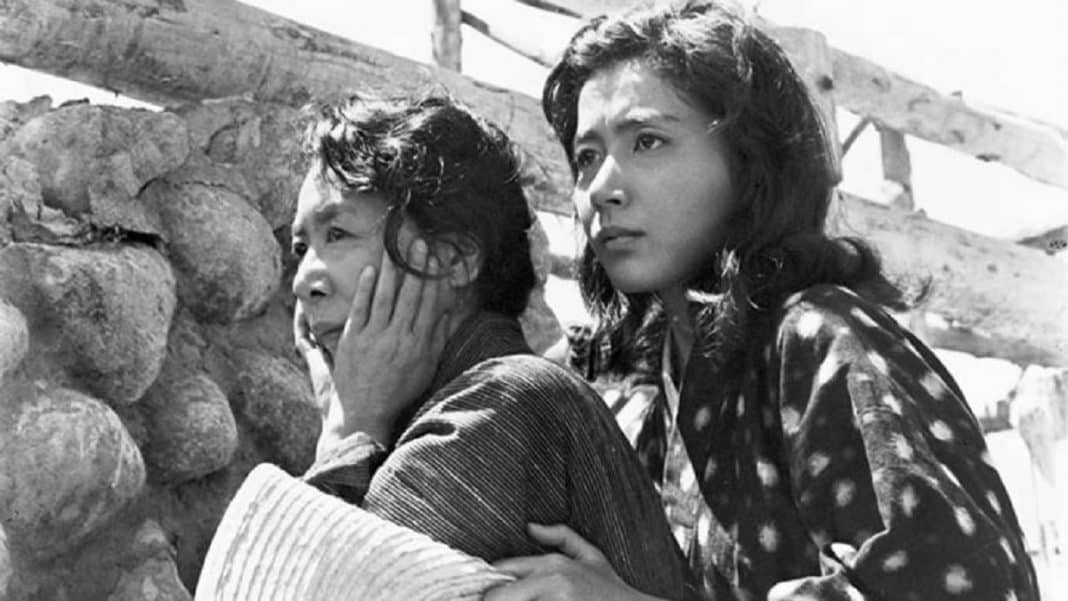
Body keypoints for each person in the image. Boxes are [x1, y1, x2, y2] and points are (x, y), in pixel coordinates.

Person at [485, 2, 1042, 600]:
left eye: (647, 141)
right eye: (587, 157)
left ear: (749, 164)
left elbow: (953, 586)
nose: (600, 188)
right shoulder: (652, 385)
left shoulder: (823, 338)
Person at [288, 93, 688, 599]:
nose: (304, 281)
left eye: (338, 234)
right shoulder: (466, 405)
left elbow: (316, 589)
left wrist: (348, 430)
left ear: (455, 260)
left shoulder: (498, 407)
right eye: (300, 248)